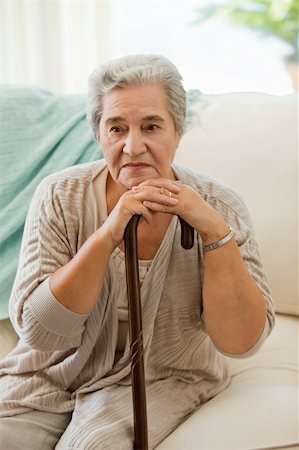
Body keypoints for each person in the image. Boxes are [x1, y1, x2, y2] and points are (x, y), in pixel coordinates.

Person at [0, 54, 274, 450]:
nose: (132, 146)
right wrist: (109, 231)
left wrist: (213, 229)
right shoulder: (61, 196)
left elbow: (241, 342)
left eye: (151, 126)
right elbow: (42, 333)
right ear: (99, 134)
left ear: (177, 131)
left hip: (165, 374)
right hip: (50, 372)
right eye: (116, 128)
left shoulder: (221, 205)